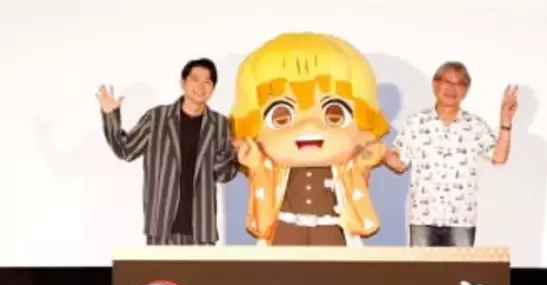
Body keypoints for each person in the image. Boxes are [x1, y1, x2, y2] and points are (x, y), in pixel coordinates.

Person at [230, 32, 389, 247]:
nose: (309, 126)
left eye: (334, 114)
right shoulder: (271, 169)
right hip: (285, 231)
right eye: (281, 117)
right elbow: (262, 179)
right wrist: (254, 162)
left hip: (332, 231)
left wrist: (367, 158)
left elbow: (358, 172)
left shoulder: (347, 169)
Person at [96, 58, 239, 245]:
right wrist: (111, 115)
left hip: (201, 230)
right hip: (161, 227)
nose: (200, 87)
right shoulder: (157, 118)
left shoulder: (219, 124)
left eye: (207, 82)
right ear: (183, 83)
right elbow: (126, 150)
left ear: (213, 88)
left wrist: (232, 152)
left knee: (200, 267)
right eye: (195, 79)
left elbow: (223, 175)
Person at [385, 61, 518, 247]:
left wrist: (505, 121)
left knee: (459, 267)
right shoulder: (416, 123)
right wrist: (378, 152)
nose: (452, 89)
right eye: (447, 82)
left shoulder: (474, 125)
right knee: (421, 267)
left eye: (459, 84)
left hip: (461, 221)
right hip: (423, 218)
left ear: (466, 90)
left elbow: (499, 157)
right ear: (435, 84)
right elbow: (399, 164)